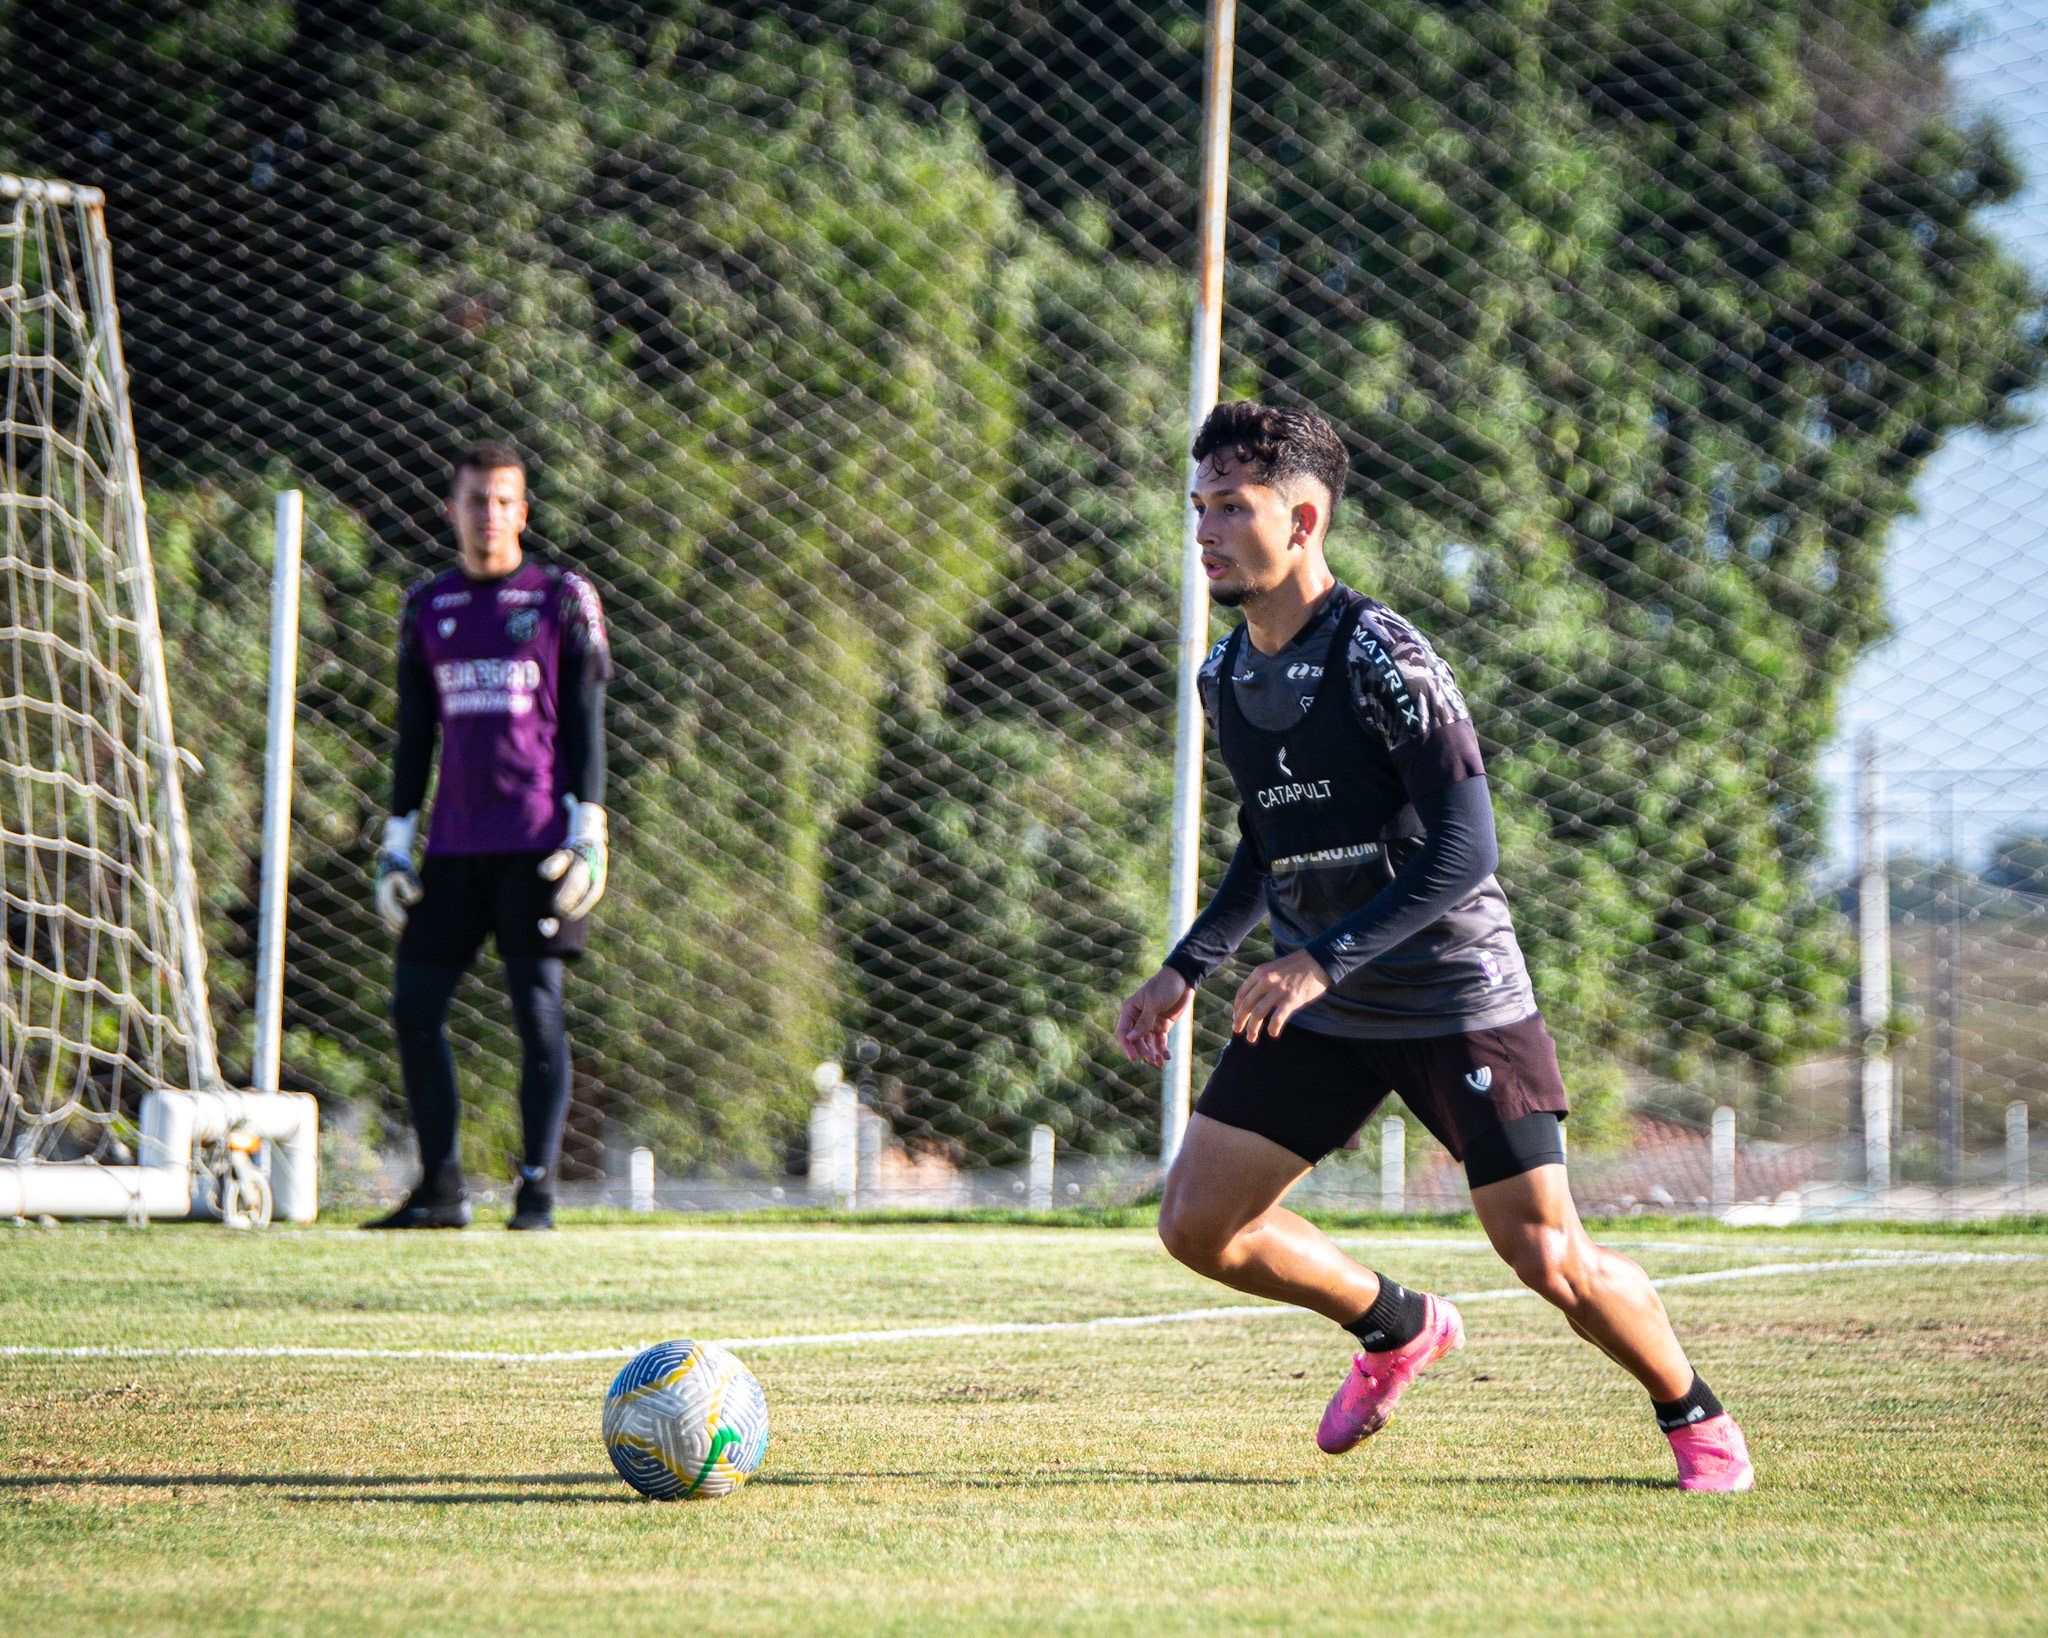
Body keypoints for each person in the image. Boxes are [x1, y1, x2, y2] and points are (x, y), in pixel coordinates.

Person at [1115, 402, 1753, 1491]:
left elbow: (1466, 848)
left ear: (1303, 519)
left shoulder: (1385, 655)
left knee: (1548, 1258)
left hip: (1453, 992)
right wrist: (1186, 964)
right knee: (1199, 1225)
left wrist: (1318, 957)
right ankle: (1395, 1324)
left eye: (1232, 508)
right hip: (1322, 1004)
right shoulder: (1226, 675)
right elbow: (1265, 845)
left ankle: (1693, 1416)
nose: (1206, 531)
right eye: (1199, 507)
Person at [364, 441, 613, 1232]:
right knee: (413, 1005)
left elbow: (585, 723)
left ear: (524, 510)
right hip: (453, 848)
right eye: (476, 500)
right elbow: (414, 734)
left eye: (504, 501)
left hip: (537, 843)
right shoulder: (425, 606)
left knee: (537, 1013)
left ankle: (535, 1193)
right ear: (452, 509)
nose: (490, 515)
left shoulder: (561, 597)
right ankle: (441, 1189)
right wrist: (397, 840)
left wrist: (591, 830)